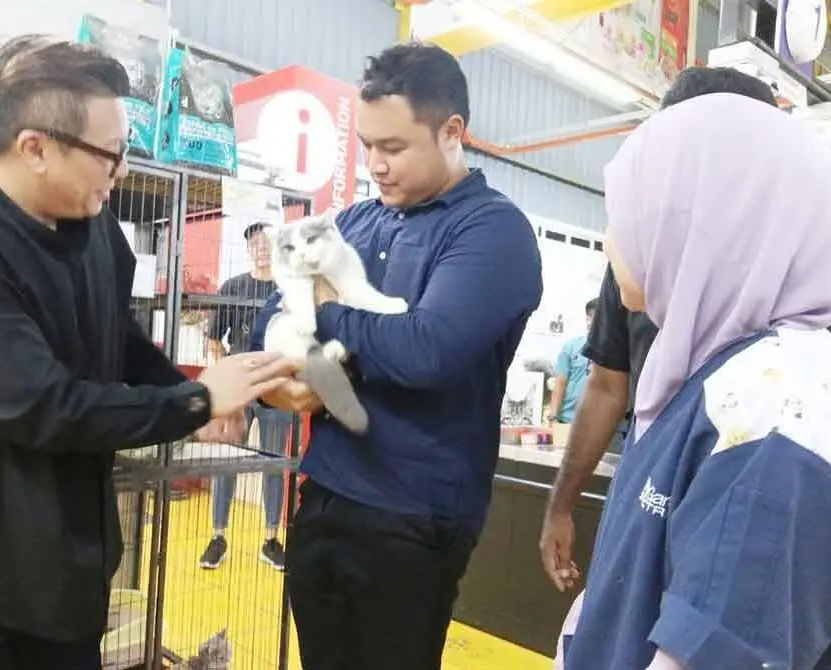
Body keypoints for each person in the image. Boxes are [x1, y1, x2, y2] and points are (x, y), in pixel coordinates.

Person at [0, 36, 293, 670]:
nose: (120, 172)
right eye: (110, 154)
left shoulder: (90, 218)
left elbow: (113, 333)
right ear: (35, 148)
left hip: (68, 558)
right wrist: (194, 402)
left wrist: (197, 396)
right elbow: (45, 407)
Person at [249, 43, 542, 669]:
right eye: (367, 147)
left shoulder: (492, 232)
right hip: (325, 493)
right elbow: (264, 320)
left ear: (451, 132)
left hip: (413, 513)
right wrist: (279, 378)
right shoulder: (357, 220)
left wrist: (321, 310)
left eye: (394, 147)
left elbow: (424, 351)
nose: (376, 166)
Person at [557, 92, 831, 669]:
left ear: (710, 227)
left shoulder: (776, 411)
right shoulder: (712, 372)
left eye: (632, 212)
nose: (611, 238)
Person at [539, 66, 793, 592]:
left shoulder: (806, 267)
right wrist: (561, 505)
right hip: (647, 485)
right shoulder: (638, 252)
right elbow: (607, 386)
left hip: (758, 504)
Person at [200, 222, 292, 571]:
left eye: (267, 241)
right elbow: (213, 339)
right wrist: (226, 378)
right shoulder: (233, 287)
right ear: (248, 249)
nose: (262, 247)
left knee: (274, 463)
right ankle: (218, 536)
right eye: (255, 242)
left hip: (277, 389)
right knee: (226, 462)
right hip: (238, 391)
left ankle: (271, 539)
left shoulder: (289, 288)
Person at [546, 299, 597, 426]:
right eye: (594, 317)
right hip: (568, 419)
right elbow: (560, 383)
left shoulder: (614, 350)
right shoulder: (571, 347)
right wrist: (553, 417)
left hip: (598, 422)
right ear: (588, 319)